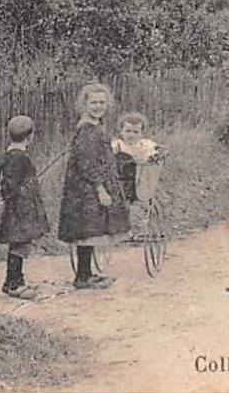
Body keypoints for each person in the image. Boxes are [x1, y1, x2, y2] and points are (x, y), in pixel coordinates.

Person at [57, 82, 129, 290]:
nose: (98, 106)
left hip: (90, 186)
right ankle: (82, 277)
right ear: (84, 104)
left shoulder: (96, 125)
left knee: (90, 229)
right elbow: (86, 162)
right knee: (86, 230)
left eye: (102, 102)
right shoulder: (87, 130)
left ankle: (86, 273)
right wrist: (100, 189)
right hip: (86, 188)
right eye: (93, 102)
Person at [0, 114, 48, 300]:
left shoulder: (13, 155)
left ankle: (16, 279)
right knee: (19, 245)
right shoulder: (18, 157)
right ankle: (13, 283)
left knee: (20, 245)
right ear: (30, 136)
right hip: (20, 211)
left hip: (20, 209)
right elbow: (10, 185)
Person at [111, 110, 162, 239]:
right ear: (121, 131)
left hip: (140, 180)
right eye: (128, 131)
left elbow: (159, 152)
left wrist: (152, 157)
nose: (131, 135)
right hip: (121, 180)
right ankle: (121, 231)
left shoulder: (145, 145)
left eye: (135, 132)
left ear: (142, 134)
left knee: (140, 205)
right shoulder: (118, 145)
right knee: (121, 206)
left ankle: (140, 230)